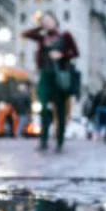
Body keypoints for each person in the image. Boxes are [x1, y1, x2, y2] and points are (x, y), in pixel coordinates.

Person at [22, 11, 80, 152]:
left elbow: (75, 52)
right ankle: (43, 140)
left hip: (59, 77)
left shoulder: (65, 36)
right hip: (45, 76)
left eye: (49, 20)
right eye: (44, 21)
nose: (46, 22)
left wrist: (62, 55)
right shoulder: (42, 37)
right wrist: (40, 27)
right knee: (43, 109)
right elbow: (25, 34)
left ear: (55, 21)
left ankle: (59, 141)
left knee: (60, 111)